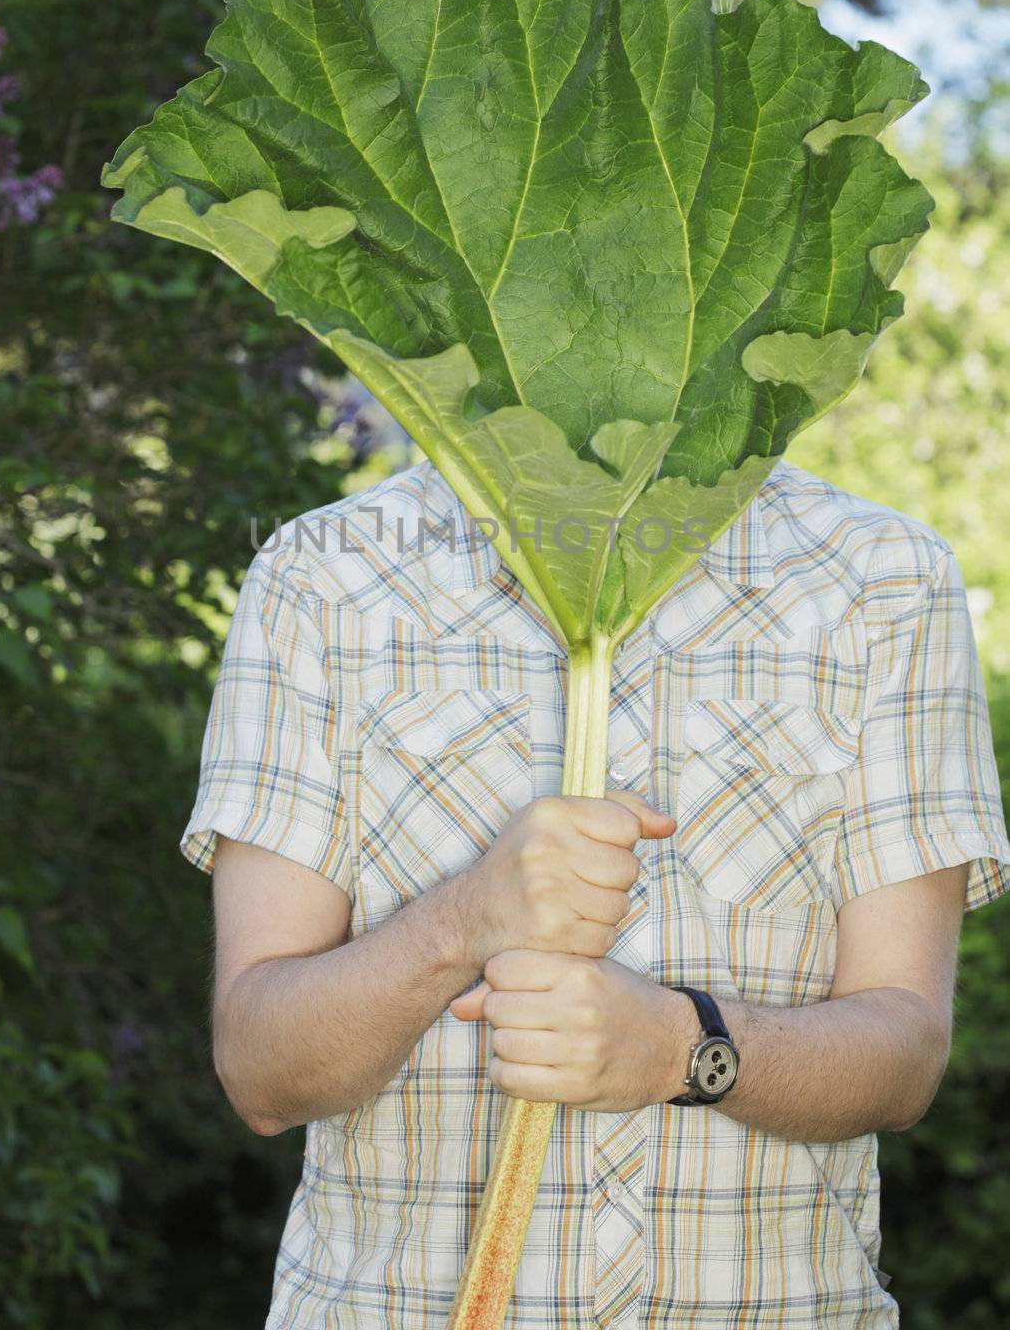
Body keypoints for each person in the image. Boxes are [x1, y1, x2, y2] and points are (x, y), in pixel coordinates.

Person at [182, 453, 1010, 1329]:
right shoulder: (321, 573)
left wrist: (677, 1048)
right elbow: (261, 1067)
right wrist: (463, 920)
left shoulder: (882, 577)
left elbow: (904, 1053)